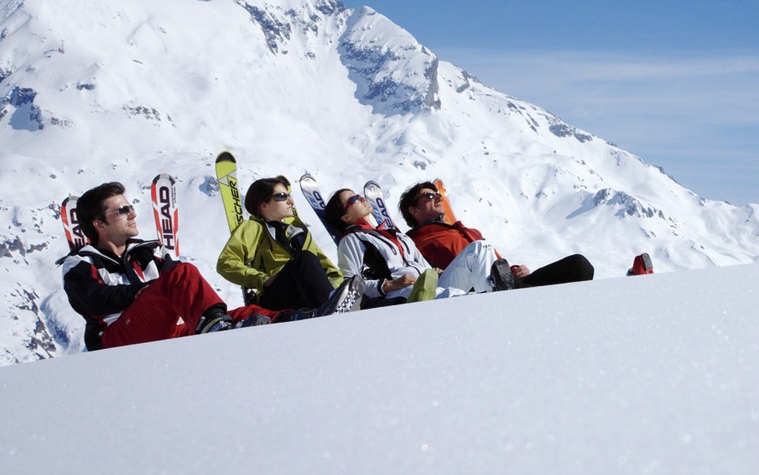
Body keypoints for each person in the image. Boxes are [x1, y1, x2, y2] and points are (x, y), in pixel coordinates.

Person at [60, 182, 362, 351]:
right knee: (182, 275)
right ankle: (217, 330)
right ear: (99, 223)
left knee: (246, 313)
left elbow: (178, 293)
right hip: (116, 341)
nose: (132, 213)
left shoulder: (147, 253)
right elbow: (94, 301)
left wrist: (154, 289)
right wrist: (146, 292)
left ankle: (304, 318)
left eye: (130, 207)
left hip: (164, 332)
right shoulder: (81, 262)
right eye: (122, 210)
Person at [399, 181, 594, 289]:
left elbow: (494, 263)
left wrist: (515, 270)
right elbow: (418, 272)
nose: (437, 197)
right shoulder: (413, 241)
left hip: (508, 282)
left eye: (438, 195)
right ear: (414, 210)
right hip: (471, 289)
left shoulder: (467, 231)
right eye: (429, 196)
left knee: (579, 265)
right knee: (479, 250)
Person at [322, 188, 469, 306]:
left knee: (480, 249)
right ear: (346, 218)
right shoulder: (352, 239)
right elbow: (350, 287)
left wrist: (436, 272)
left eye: (358, 195)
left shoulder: (399, 236)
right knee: (455, 297)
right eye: (353, 199)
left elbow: (426, 269)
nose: (361, 198)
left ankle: (490, 291)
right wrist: (390, 284)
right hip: (403, 293)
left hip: (432, 283)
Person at [217, 176, 343, 309]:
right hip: (275, 297)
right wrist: (262, 279)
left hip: (309, 296)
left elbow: (330, 270)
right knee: (303, 258)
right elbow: (226, 263)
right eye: (282, 196)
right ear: (263, 204)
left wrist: (334, 288)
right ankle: (331, 306)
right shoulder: (254, 228)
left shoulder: (299, 233)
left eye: (289, 196)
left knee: (307, 258)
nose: (290, 201)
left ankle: (334, 303)